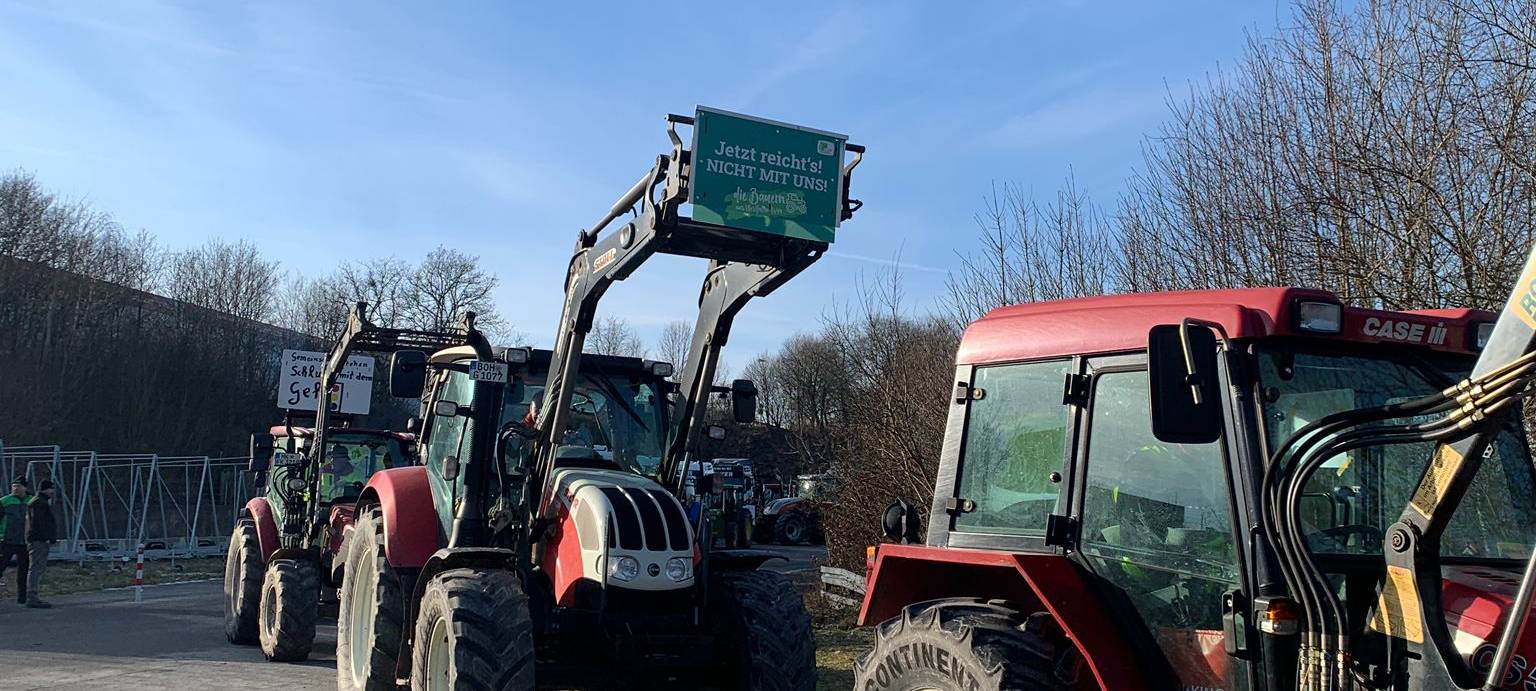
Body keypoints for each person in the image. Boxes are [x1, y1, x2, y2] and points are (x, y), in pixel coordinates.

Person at [25, 480, 57, 608]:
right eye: (51, 489)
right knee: (36, 568)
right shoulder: (39, 503)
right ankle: (32, 596)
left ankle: (33, 595)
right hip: (39, 540)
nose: (52, 492)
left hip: (38, 539)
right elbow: (39, 523)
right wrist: (47, 537)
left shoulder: (37, 501)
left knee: (37, 567)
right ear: (45, 489)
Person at [0, 477, 30, 605]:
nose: (16, 489)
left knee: (23, 570)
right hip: (7, 540)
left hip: (25, 541)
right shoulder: (4, 501)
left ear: (25, 487)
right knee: (1, 567)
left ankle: (22, 598)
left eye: (18, 486)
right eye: (14, 486)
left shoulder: (32, 501)